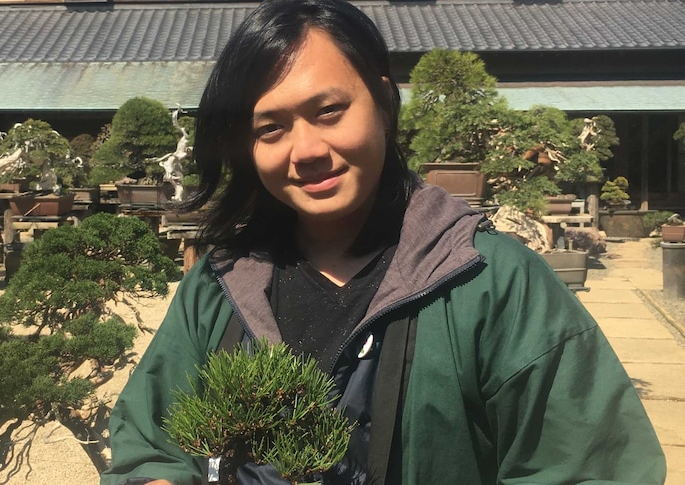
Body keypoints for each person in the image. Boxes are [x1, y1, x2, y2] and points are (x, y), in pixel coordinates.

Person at [100, 0, 666, 484]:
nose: (306, 150)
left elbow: (590, 464)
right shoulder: (221, 284)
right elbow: (150, 438)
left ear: (383, 102)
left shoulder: (494, 283)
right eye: (270, 128)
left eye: (329, 111)